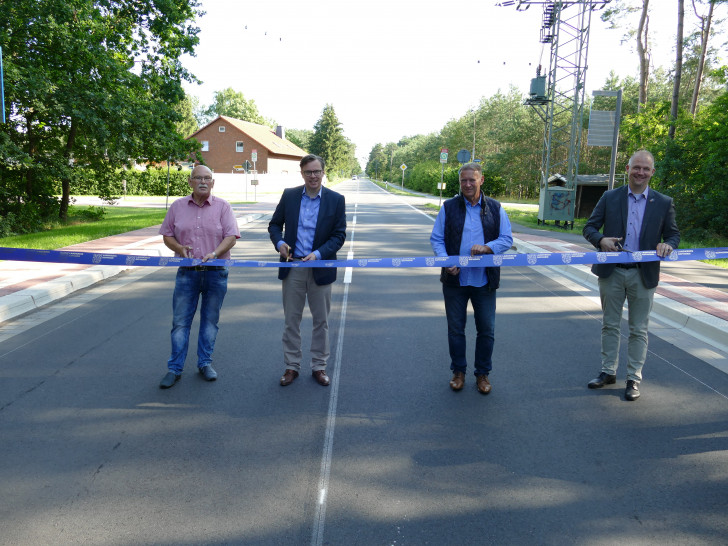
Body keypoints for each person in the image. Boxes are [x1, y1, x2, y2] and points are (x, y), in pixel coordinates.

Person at [583, 149, 680, 401]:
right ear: (627, 169)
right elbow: (589, 227)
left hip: (643, 274)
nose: (640, 172)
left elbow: (673, 235)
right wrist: (601, 239)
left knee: (639, 329)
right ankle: (608, 372)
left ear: (652, 172)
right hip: (612, 272)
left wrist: (668, 245)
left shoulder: (664, 202)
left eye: (646, 169)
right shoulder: (609, 197)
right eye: (636, 167)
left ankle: (633, 379)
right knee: (610, 324)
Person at [430, 162, 513, 394]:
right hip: (455, 281)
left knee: (486, 330)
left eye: (471, 180)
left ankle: (483, 374)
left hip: (484, 281)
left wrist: (488, 247)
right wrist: (447, 261)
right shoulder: (448, 207)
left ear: (481, 180)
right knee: (456, 329)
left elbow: (507, 239)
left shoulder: (496, 208)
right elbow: (436, 239)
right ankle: (458, 372)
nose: (467, 184)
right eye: (463, 180)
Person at [158, 165, 240, 389]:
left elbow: (231, 237)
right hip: (187, 274)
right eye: (198, 178)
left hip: (216, 273)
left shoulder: (223, 207)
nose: (203, 182)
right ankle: (174, 369)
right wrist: (178, 247)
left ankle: (205, 363)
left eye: (207, 178)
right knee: (180, 323)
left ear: (213, 183)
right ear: (190, 181)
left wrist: (214, 254)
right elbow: (167, 235)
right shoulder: (177, 206)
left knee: (210, 322)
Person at [268, 154, 346, 387]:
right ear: (301, 173)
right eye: (308, 172)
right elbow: (274, 225)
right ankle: (292, 366)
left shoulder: (336, 199)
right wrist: (279, 243)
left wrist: (320, 253)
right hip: (293, 266)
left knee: (321, 321)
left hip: (320, 267)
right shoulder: (290, 195)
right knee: (291, 320)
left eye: (317, 171)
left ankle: (319, 366)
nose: (313, 176)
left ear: (324, 172)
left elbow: (339, 235)